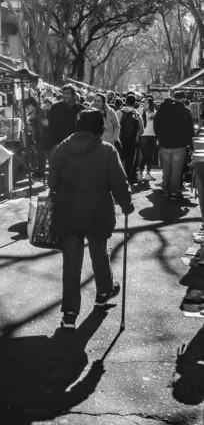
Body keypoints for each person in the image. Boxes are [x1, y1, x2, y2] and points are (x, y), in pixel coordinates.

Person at [48, 110, 134, 330]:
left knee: (71, 264)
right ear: (99, 128)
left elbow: (52, 182)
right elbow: (119, 182)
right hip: (97, 211)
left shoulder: (61, 149)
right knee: (99, 253)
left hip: (67, 211)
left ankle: (69, 313)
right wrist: (126, 204)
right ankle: (103, 291)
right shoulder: (106, 150)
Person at [154, 90, 194, 200]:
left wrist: (159, 137)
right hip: (180, 144)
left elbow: (156, 124)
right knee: (176, 168)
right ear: (183, 98)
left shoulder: (162, 109)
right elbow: (190, 129)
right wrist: (190, 144)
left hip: (164, 143)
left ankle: (165, 189)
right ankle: (174, 191)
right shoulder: (185, 111)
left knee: (166, 167)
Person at [117, 94, 144, 185]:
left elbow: (115, 126)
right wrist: (136, 135)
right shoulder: (137, 115)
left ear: (125, 101)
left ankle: (119, 179)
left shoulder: (119, 113)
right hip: (132, 141)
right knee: (130, 162)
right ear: (134, 103)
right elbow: (142, 130)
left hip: (120, 140)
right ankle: (129, 180)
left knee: (119, 160)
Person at [138, 96, 157, 181]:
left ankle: (147, 173)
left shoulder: (155, 113)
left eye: (147, 103)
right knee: (146, 155)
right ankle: (141, 172)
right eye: (144, 103)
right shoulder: (141, 111)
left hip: (153, 136)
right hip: (143, 136)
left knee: (150, 155)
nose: (145, 104)